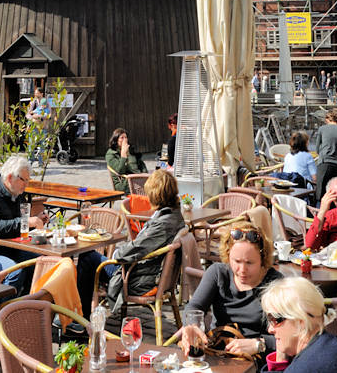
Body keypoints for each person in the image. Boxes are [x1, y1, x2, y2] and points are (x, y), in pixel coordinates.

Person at [77, 170, 185, 316]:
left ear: (155, 195)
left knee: (88, 258)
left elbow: (136, 248)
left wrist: (115, 255)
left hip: (138, 279)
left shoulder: (162, 224)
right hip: (150, 273)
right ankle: (83, 314)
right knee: (93, 258)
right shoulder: (175, 215)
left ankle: (81, 319)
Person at [180, 221, 283, 358]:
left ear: (263, 259)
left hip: (257, 358)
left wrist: (258, 344)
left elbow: (292, 335)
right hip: (219, 353)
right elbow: (194, 306)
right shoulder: (218, 273)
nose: (242, 270)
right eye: (236, 261)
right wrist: (192, 325)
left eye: (249, 263)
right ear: (228, 256)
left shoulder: (275, 283)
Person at [0, 155, 47, 289]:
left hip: (12, 249)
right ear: (10, 177)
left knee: (42, 262)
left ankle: (27, 303)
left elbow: (18, 225)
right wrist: (26, 222)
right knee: (15, 271)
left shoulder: (17, 195)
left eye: (28, 180)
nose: (26, 184)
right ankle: (4, 308)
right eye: (24, 180)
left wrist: (37, 219)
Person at [260, 276, 337, 373]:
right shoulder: (334, 346)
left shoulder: (306, 367)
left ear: (300, 321)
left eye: (274, 319)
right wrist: (280, 359)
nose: (270, 329)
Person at [105, 128, 146, 193]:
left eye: (126, 137)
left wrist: (144, 174)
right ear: (116, 140)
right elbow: (120, 171)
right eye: (122, 138)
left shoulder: (131, 150)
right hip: (124, 182)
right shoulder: (111, 154)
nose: (125, 140)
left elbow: (141, 164)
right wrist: (123, 155)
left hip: (139, 178)